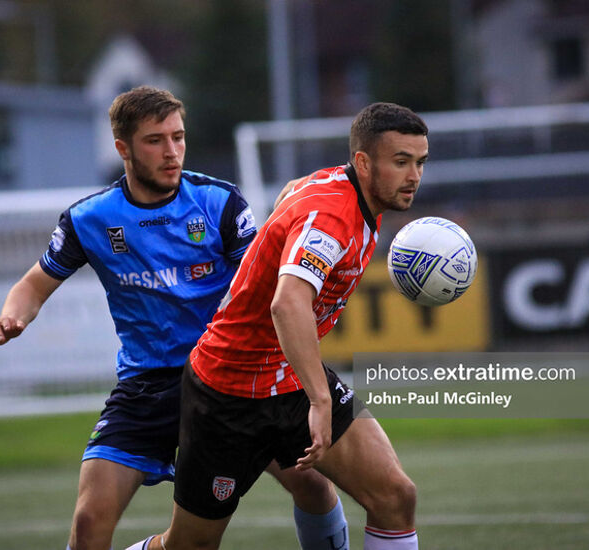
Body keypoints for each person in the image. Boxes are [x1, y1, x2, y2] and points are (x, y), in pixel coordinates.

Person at [0, 86, 350, 550]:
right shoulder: (90, 218)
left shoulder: (219, 203)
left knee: (312, 484)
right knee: (90, 522)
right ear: (123, 148)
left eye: (178, 137)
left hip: (226, 379)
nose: (171, 152)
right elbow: (34, 284)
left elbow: (263, 280)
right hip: (147, 385)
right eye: (155, 140)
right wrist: (12, 318)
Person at [128, 102, 429, 550]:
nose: (414, 175)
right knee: (189, 545)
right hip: (227, 394)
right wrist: (321, 399)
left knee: (395, 497)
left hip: (287, 378)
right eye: (401, 162)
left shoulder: (346, 188)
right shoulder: (331, 218)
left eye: (420, 162)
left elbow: (292, 192)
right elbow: (287, 305)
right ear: (363, 163)